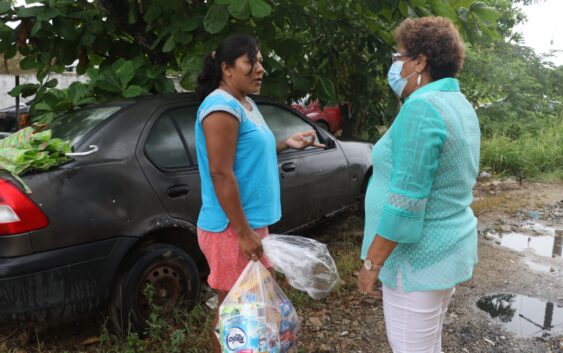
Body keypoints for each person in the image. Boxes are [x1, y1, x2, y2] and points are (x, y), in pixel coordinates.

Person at [357, 17, 480, 353]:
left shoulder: (422, 107)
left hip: (417, 262)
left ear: (421, 61)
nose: (395, 67)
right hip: (444, 252)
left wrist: (372, 263)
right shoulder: (458, 103)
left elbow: (406, 201)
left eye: (399, 58)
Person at [194, 34, 324, 353]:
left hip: (248, 225)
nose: (260, 69)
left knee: (250, 307)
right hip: (230, 228)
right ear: (226, 68)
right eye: (251, 62)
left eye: (261, 61)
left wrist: (285, 143)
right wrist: (242, 232)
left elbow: (245, 152)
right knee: (234, 308)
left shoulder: (245, 103)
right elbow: (220, 172)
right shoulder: (220, 107)